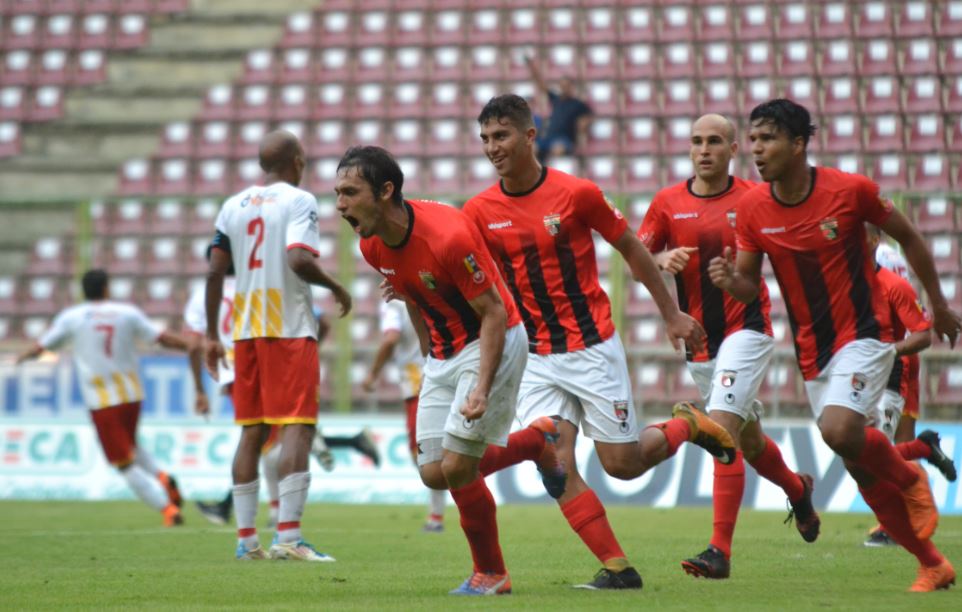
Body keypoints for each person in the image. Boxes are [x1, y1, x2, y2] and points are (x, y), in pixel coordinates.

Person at [462, 94, 736, 590]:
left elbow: (631, 247)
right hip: (537, 356)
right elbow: (471, 278)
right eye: (484, 138)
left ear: (530, 136)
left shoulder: (577, 193)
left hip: (591, 347)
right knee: (556, 462)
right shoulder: (480, 210)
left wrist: (671, 313)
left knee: (623, 466)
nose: (491, 147)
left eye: (500, 136)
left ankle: (688, 426)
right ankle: (618, 568)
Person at [708, 99, 959, 592]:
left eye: (768, 139)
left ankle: (911, 478)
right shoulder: (753, 210)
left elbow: (909, 238)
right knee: (859, 468)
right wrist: (727, 280)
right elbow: (748, 285)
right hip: (812, 351)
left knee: (839, 431)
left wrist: (941, 306)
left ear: (799, 144)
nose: (757, 149)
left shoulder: (851, 191)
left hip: (864, 334)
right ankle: (932, 563)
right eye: (754, 140)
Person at [335, 145, 567, 596]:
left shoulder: (448, 237)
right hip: (443, 354)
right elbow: (414, 296)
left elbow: (495, 313)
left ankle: (492, 573)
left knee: (460, 467)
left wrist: (480, 387)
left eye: (349, 192)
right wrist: (430, 360)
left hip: (490, 338)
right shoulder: (370, 245)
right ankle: (536, 442)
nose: (340, 204)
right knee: (434, 472)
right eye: (337, 193)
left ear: (385, 192)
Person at [639, 114, 821, 579]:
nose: (704, 150)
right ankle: (798, 490)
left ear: (733, 149)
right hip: (701, 341)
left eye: (715, 141)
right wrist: (662, 259)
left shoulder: (754, 199)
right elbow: (638, 256)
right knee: (749, 439)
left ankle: (719, 551)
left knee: (719, 428)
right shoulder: (666, 203)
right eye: (697, 141)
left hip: (749, 328)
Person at [204, 129, 352, 561]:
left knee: (252, 431)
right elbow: (299, 259)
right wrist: (337, 287)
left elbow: (215, 272)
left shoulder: (232, 205)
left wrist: (212, 334)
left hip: (245, 331)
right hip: (288, 327)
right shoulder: (299, 200)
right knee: (298, 426)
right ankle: (288, 537)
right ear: (299, 160)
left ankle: (247, 541)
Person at [184, 271, 377, 528]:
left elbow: (195, 343)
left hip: (242, 370)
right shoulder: (264, 283)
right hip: (272, 366)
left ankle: (271, 518)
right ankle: (348, 442)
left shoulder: (211, 294)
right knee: (269, 441)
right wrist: (306, 352)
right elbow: (323, 320)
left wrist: (199, 389)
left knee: (262, 442)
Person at [16, 269, 188, 526]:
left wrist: (21, 357)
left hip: (102, 400)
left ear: (83, 291)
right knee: (130, 445)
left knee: (123, 463)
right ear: (107, 288)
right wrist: (192, 347)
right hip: (132, 394)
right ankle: (162, 476)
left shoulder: (72, 317)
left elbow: (42, 346)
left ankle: (168, 510)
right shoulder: (127, 312)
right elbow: (160, 338)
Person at [863, 225, 957, 547]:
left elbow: (888, 300)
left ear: (875, 236)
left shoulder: (881, 264)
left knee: (879, 446)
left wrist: (886, 350)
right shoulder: (891, 255)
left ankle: (893, 522)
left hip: (893, 356)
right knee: (887, 443)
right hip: (891, 357)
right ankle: (921, 450)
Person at [362, 298, 447, 533]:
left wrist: (372, 374)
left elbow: (391, 338)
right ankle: (437, 514)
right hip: (441, 374)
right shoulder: (421, 287)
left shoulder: (393, 303)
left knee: (425, 454)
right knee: (435, 452)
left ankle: (437, 516)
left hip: (419, 383)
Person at [524, 54, 591, 164]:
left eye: (566, 85)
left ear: (571, 86)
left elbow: (587, 117)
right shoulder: (556, 99)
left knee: (557, 150)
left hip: (565, 139)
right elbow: (541, 85)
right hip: (549, 138)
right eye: (562, 85)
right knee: (532, 148)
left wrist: (584, 125)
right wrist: (531, 66)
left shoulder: (578, 104)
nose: (564, 88)